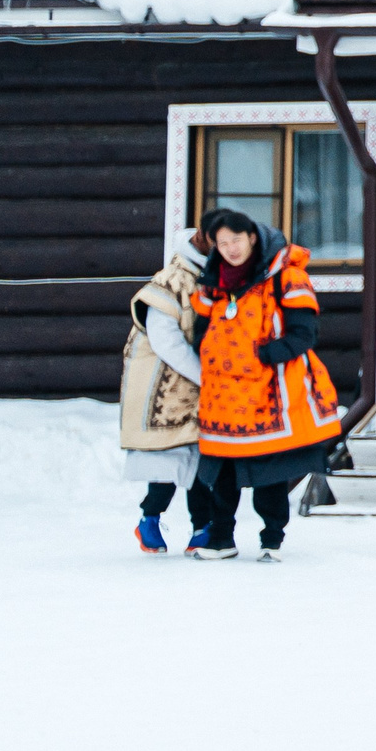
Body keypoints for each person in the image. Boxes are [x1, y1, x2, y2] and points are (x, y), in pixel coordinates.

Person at [188, 207, 344, 560]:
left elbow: (304, 334)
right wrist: (212, 353)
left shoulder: (284, 277)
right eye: (223, 242)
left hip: (268, 392)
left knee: (269, 469)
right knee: (222, 470)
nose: (230, 248)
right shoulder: (213, 282)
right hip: (223, 396)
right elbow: (200, 330)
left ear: (252, 237)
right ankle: (221, 539)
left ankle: (272, 538)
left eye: (236, 240)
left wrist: (259, 356)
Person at [121, 236, 212, 554]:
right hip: (168, 387)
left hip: (196, 388)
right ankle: (150, 520)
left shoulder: (209, 279)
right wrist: (204, 375)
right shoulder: (172, 280)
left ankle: (202, 525)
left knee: (201, 457)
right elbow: (166, 340)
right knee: (169, 458)